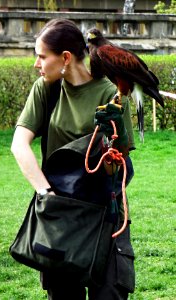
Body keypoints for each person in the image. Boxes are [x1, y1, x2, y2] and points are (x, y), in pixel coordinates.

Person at [11, 18, 135, 300]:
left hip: (104, 215)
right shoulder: (46, 89)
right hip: (60, 213)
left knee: (110, 295)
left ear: (65, 57)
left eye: (42, 56)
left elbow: (117, 168)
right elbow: (19, 145)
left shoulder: (110, 94)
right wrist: (46, 194)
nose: (36, 64)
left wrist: (114, 142)